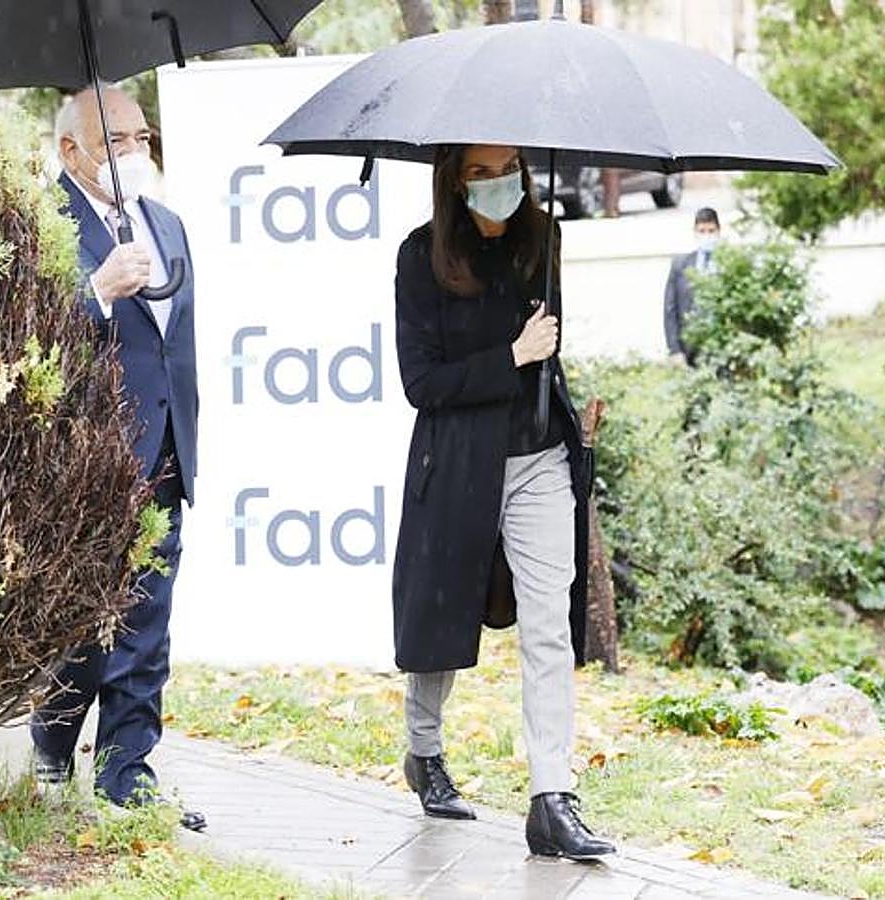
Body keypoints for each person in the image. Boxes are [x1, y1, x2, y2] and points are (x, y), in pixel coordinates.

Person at [391, 143, 615, 860]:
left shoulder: (543, 239)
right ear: (456, 181)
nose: (501, 184)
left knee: (549, 624)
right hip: (458, 462)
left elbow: (549, 355)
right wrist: (511, 356)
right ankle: (424, 751)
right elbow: (422, 385)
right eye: (483, 173)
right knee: (444, 614)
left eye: (511, 168)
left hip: (539, 456)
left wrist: (548, 372)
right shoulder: (420, 256)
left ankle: (553, 796)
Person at [30, 86, 202, 829]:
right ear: (71, 152)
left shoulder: (165, 224)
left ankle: (126, 771)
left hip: (162, 449)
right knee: (83, 625)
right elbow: (30, 337)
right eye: (116, 141)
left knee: (147, 622)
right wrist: (96, 291)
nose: (135, 153)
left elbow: (174, 344)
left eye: (141, 137)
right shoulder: (43, 224)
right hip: (87, 461)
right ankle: (53, 738)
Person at [663, 207, 721, 366]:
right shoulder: (681, 265)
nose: (707, 236)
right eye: (702, 231)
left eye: (711, 230)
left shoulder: (726, 263)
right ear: (695, 232)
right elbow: (670, 310)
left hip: (720, 344)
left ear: (718, 231)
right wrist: (674, 350)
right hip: (689, 348)